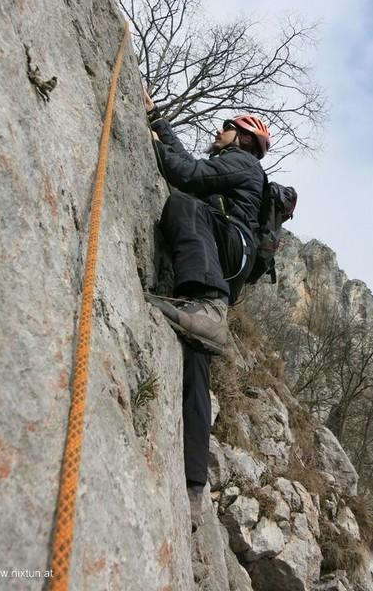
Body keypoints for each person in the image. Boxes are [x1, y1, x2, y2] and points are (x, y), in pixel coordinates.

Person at [144, 92, 270, 530]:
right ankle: (194, 487)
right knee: (194, 364)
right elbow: (193, 170)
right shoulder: (240, 168)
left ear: (241, 137)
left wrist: (154, 127)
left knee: (182, 203)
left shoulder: (243, 163)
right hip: (224, 265)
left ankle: (209, 310)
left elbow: (184, 174)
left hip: (227, 251)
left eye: (225, 127)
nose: (217, 133)